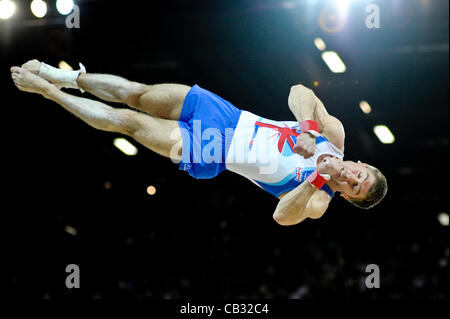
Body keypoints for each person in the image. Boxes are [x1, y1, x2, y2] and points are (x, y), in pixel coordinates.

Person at [10, 59, 387, 226]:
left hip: (214, 150)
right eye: (361, 174)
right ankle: (65, 77)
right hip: (229, 115)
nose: (352, 177)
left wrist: (316, 179)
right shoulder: (334, 138)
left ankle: (46, 91)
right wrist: (307, 129)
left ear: (351, 198)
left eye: (356, 187)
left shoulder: (320, 200)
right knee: (137, 95)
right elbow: (299, 90)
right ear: (363, 165)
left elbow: (282, 216)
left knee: (128, 122)